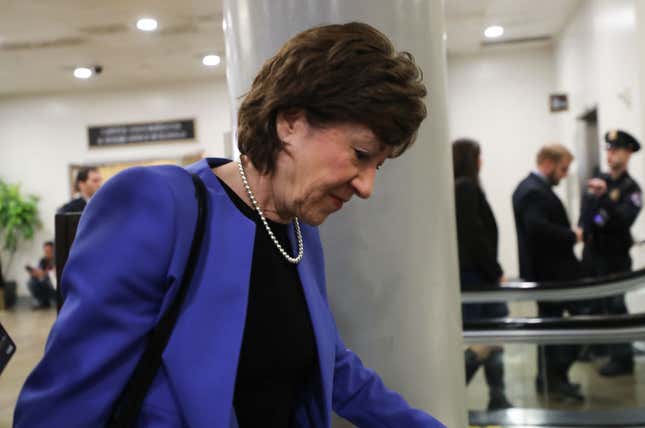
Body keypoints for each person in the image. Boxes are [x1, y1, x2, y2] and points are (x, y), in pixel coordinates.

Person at [15, 23, 445, 427]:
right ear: (291, 123)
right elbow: (73, 391)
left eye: (379, 166)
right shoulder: (158, 203)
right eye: (360, 153)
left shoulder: (299, 233)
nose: (367, 185)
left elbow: (329, 363)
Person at [512, 144, 584, 402]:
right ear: (547, 162)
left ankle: (551, 379)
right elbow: (538, 228)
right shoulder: (534, 191)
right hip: (552, 276)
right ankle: (555, 380)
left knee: (551, 327)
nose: (564, 175)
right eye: (563, 168)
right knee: (565, 328)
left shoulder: (529, 188)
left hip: (549, 274)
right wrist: (571, 235)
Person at [452, 138, 512, 410]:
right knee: (487, 339)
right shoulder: (466, 188)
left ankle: (498, 396)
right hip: (478, 277)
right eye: (479, 156)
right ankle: (456, 388)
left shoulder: (460, 187)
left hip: (476, 274)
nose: (482, 161)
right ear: (471, 159)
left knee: (493, 339)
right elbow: (474, 236)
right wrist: (495, 270)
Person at [578, 129, 642, 376]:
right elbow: (588, 212)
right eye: (608, 149)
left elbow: (622, 220)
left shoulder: (630, 189)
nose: (610, 154)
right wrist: (584, 225)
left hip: (614, 256)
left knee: (615, 306)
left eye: (616, 149)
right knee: (592, 304)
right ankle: (597, 347)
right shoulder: (599, 181)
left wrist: (605, 200)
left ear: (628, 153)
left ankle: (622, 358)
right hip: (593, 252)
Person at [25, 241, 55, 309]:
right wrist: (34, 273)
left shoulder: (57, 259)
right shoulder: (43, 260)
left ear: (53, 250)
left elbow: (54, 273)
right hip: (44, 281)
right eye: (45, 251)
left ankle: (55, 301)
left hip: (52, 282)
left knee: (48, 280)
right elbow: (39, 271)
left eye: (49, 251)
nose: (47, 253)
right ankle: (43, 302)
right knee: (31, 282)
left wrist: (44, 273)